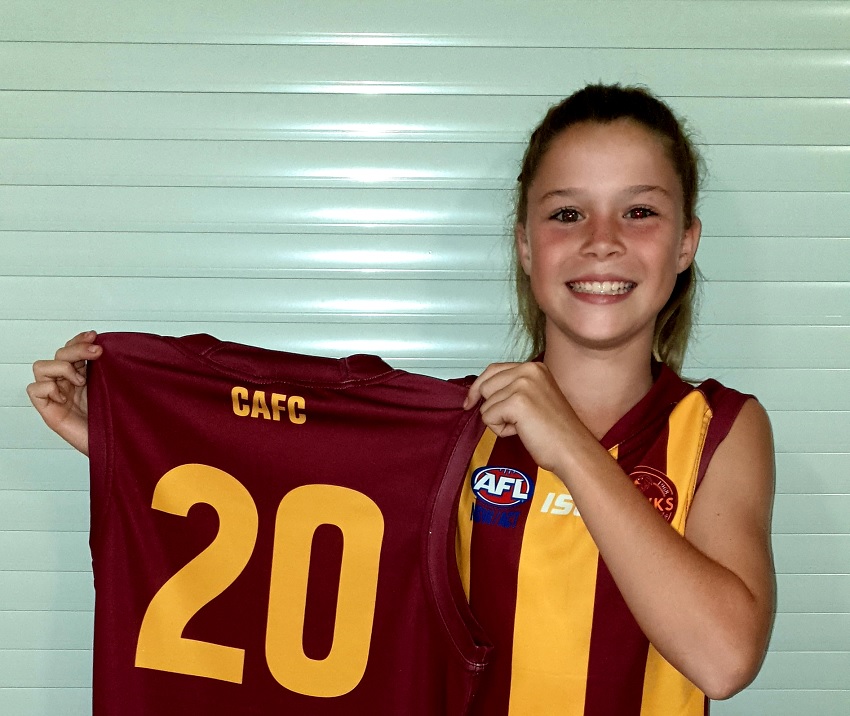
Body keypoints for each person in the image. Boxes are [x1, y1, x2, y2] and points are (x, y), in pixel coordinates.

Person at [28, 83, 774, 713]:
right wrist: (132, 442)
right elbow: (282, 517)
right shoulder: (455, 432)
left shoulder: (721, 429)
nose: (602, 240)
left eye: (639, 211)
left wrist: (572, 449)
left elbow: (724, 659)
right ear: (525, 244)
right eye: (567, 213)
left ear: (685, 242)